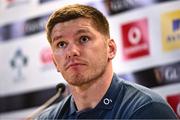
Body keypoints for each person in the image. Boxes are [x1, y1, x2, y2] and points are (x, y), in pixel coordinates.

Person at [36, 4, 177, 119]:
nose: (72, 51)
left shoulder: (147, 109)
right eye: (61, 44)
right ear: (55, 62)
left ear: (110, 49)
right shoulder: (47, 118)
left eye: (83, 39)